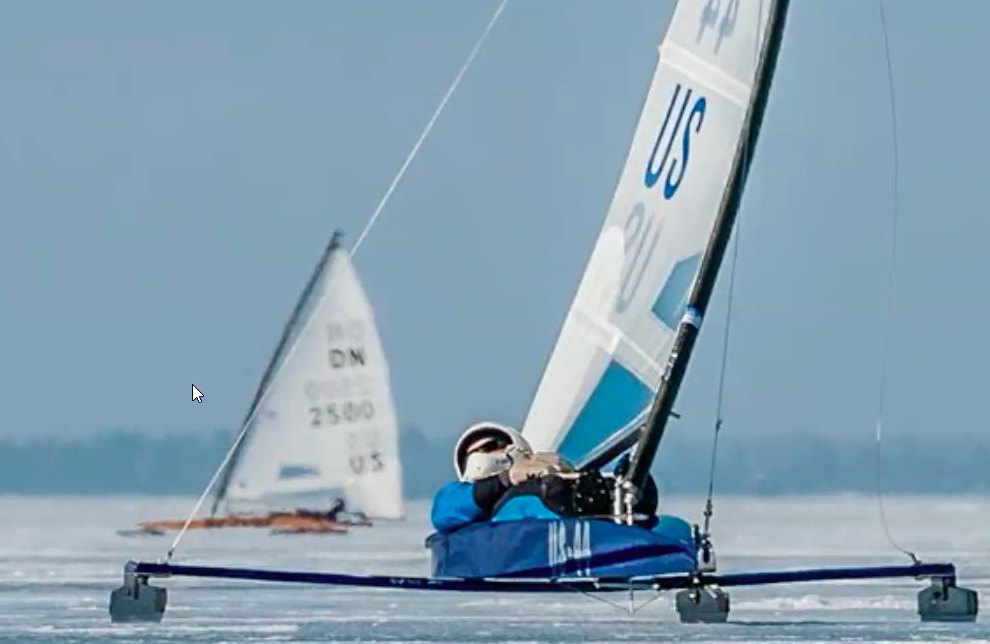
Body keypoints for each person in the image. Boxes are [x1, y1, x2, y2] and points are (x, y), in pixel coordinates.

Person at [430, 422, 662, 534]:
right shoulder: (455, 495)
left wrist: (568, 475)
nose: (481, 454)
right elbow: (444, 514)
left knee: (624, 485)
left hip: (577, 523)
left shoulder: (545, 470)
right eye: (474, 451)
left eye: (492, 445)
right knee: (534, 494)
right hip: (515, 532)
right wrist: (508, 478)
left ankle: (623, 499)